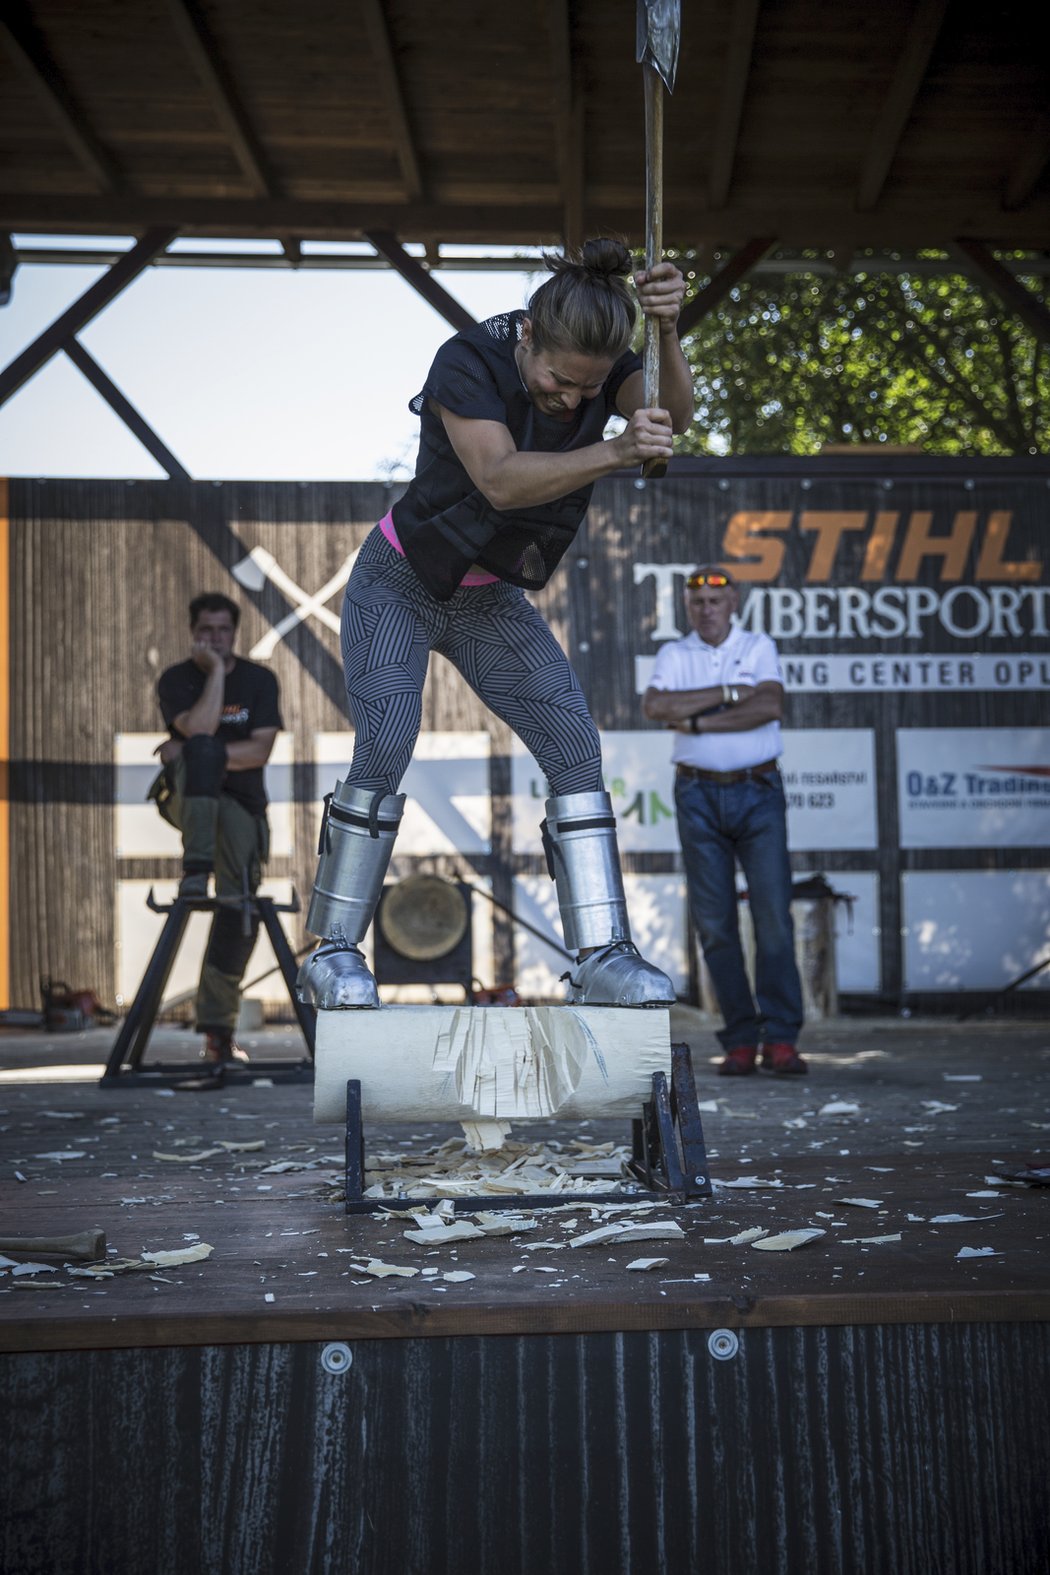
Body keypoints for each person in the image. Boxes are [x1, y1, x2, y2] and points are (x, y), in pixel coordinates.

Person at [299, 236, 694, 1011]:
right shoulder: (465, 361)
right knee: (386, 739)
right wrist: (615, 452)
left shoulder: (598, 363)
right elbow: (502, 479)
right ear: (529, 336)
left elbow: (669, 416)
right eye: (558, 378)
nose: (572, 399)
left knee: (577, 748)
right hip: (400, 583)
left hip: (488, 599)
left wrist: (669, 332)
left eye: (590, 387)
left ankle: (602, 954)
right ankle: (334, 950)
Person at [642, 566, 807, 1075]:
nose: (706, 610)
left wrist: (693, 719)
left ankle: (780, 1038)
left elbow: (770, 706)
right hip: (696, 792)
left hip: (758, 791)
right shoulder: (674, 653)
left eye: (715, 601)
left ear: (732, 600)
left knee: (774, 918)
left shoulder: (758, 645)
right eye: (697, 602)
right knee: (715, 925)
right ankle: (739, 1039)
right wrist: (730, 692)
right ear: (688, 607)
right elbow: (655, 705)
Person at [151, 592, 282, 1086]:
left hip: (243, 808)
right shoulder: (176, 679)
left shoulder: (259, 679)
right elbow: (206, 729)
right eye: (206, 630)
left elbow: (261, 751)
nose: (215, 639)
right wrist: (215, 679)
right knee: (203, 754)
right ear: (193, 630)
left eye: (223, 631)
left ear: (235, 632)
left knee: (237, 909)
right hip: (188, 804)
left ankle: (216, 1032)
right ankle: (196, 867)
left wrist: (185, 749)